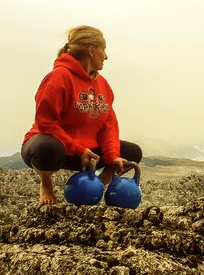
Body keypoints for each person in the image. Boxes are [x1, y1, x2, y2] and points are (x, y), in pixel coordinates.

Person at [21, 25, 142, 205]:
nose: (106, 56)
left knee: (132, 152)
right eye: (104, 50)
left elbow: (108, 126)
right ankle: (46, 182)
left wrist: (112, 156)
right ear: (92, 51)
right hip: (56, 148)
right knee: (47, 148)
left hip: (87, 153)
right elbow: (46, 123)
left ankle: (98, 185)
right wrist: (78, 149)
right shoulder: (58, 77)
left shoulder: (103, 84)